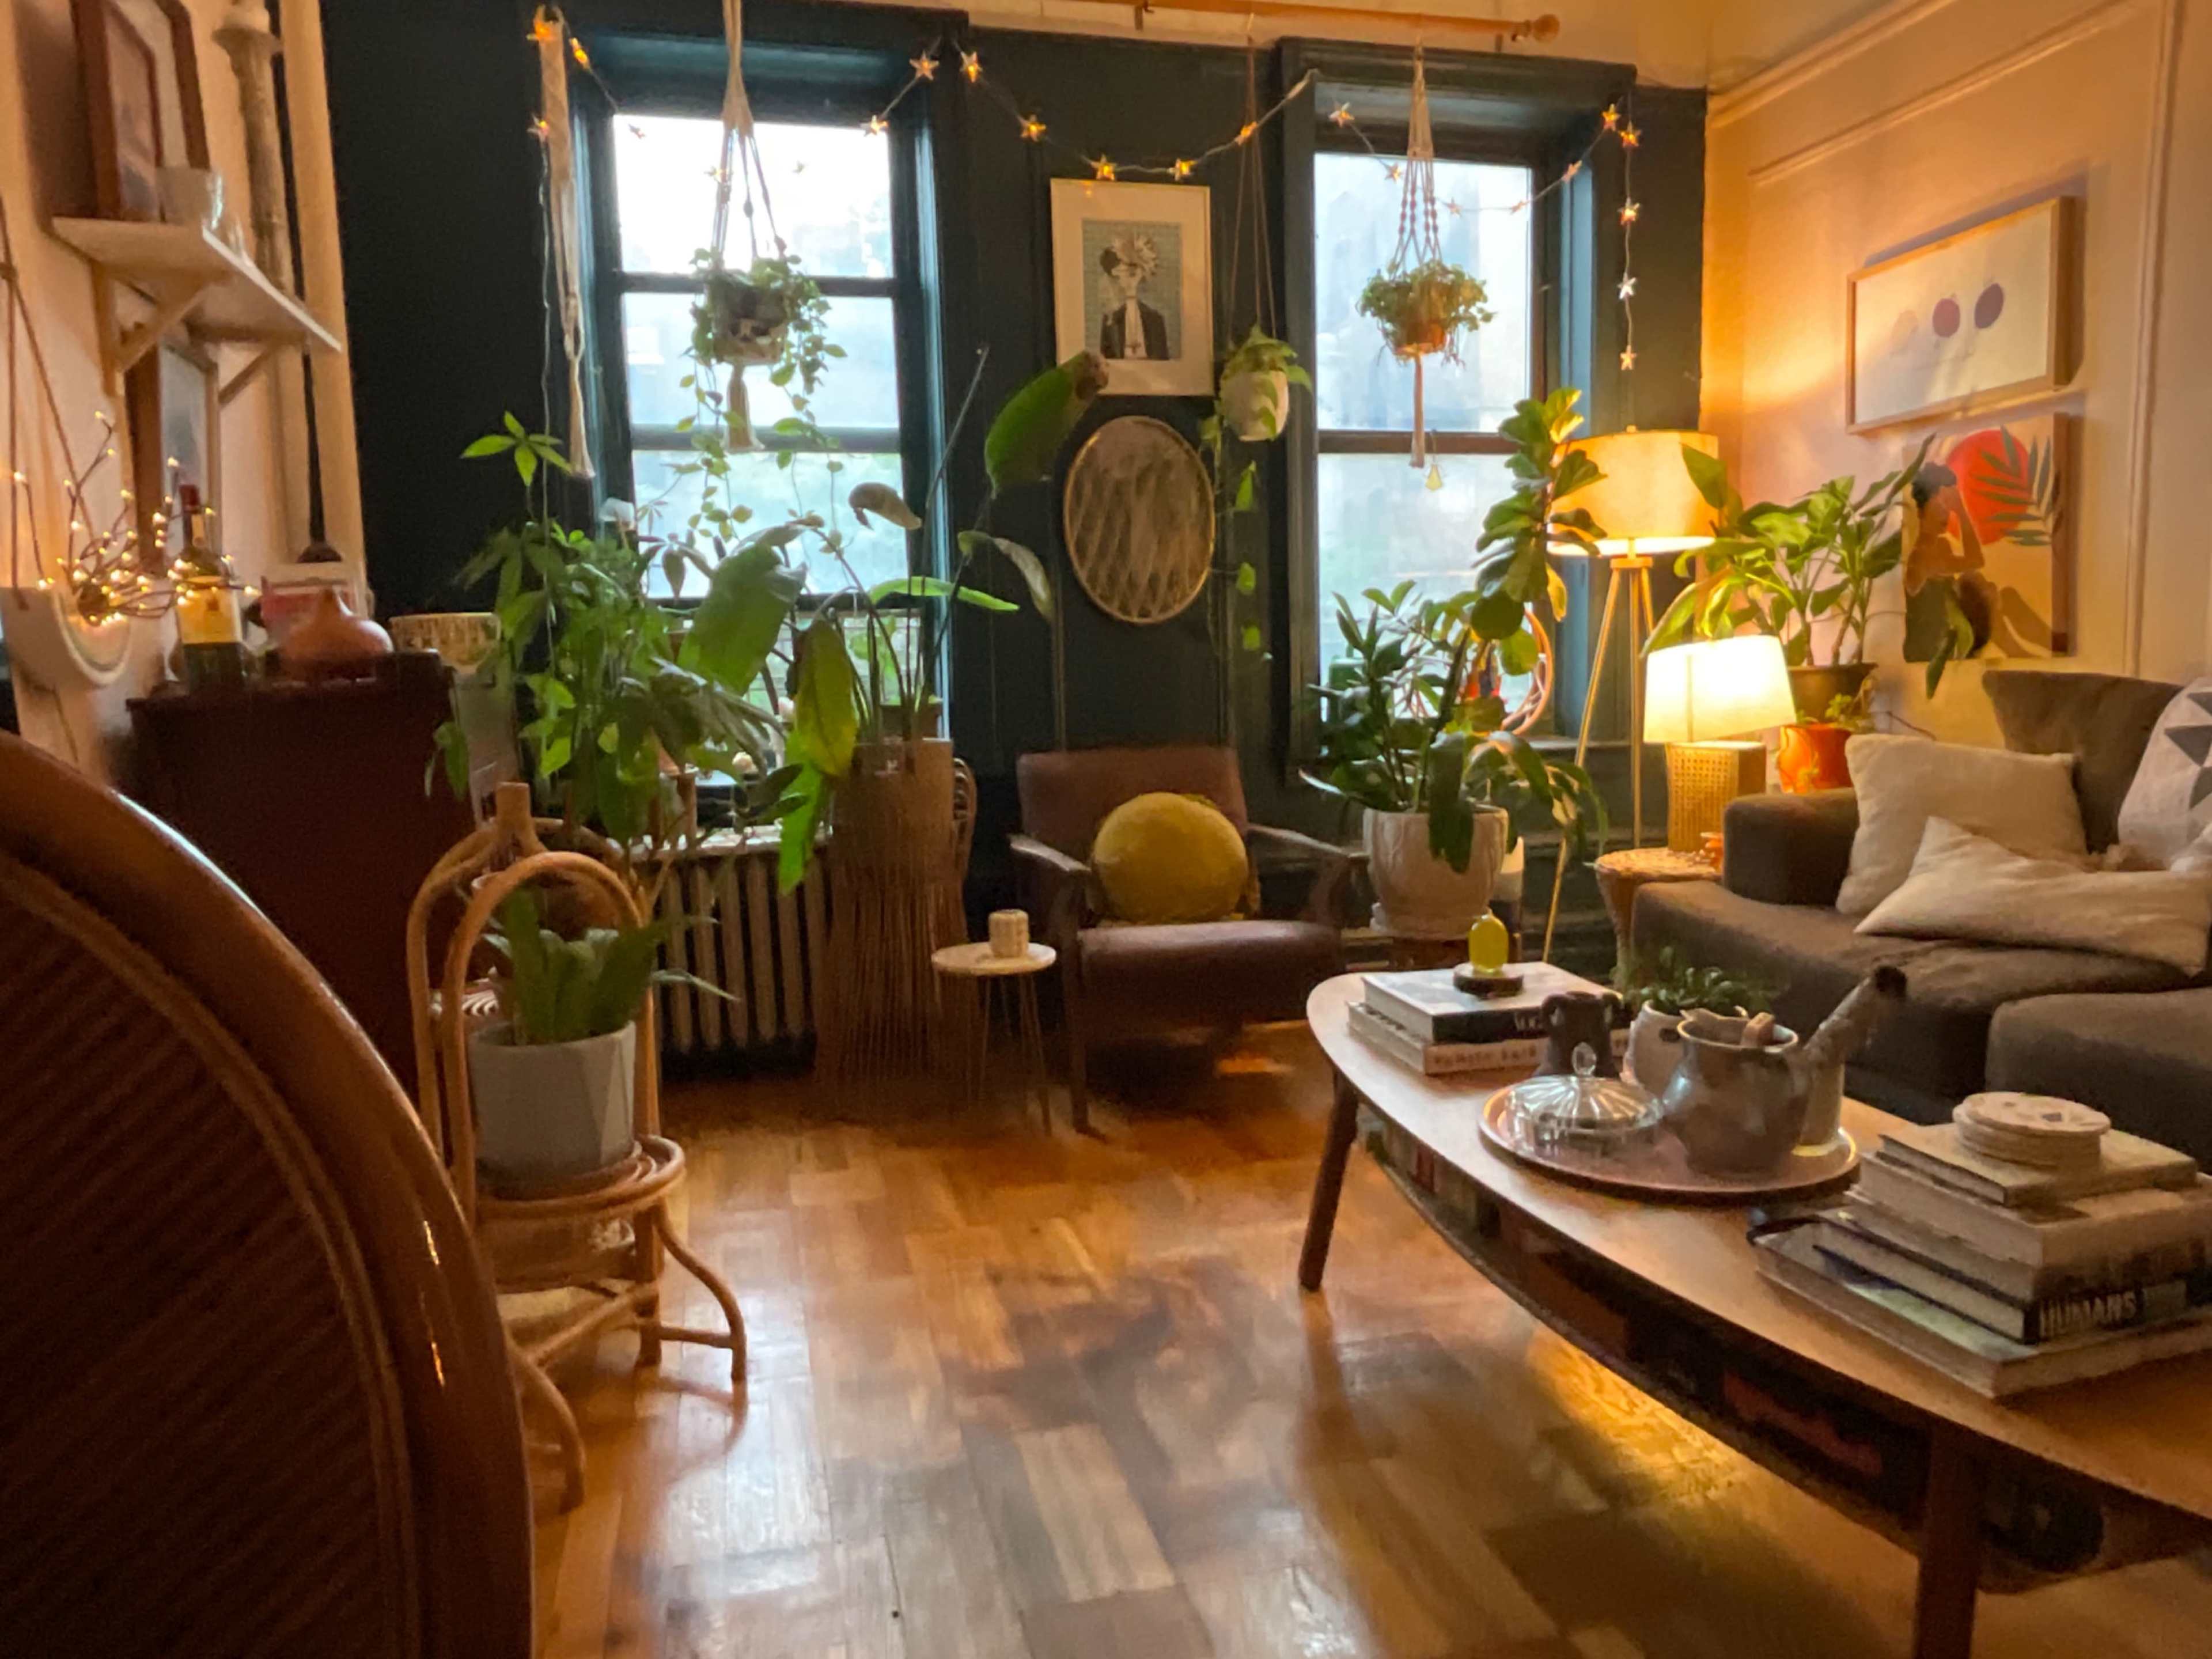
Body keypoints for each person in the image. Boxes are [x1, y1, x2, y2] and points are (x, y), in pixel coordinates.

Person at [1097, 235, 1169, 361]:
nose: (1129, 273)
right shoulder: (1110, 320)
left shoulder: (1155, 319)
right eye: (1123, 271)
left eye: (1133, 270)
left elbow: (1163, 360)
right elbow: (1107, 361)